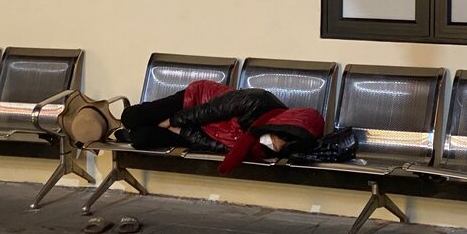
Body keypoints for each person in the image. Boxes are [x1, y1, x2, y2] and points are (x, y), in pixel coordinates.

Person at [119, 80, 324, 174]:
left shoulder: (259, 147)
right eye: (284, 139)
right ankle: (104, 120)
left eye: (286, 147)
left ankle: (126, 134)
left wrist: (183, 132)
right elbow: (210, 110)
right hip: (195, 103)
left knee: (140, 138)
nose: (278, 148)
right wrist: (174, 121)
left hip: (197, 132)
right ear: (282, 126)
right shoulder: (258, 100)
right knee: (131, 116)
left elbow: (216, 146)